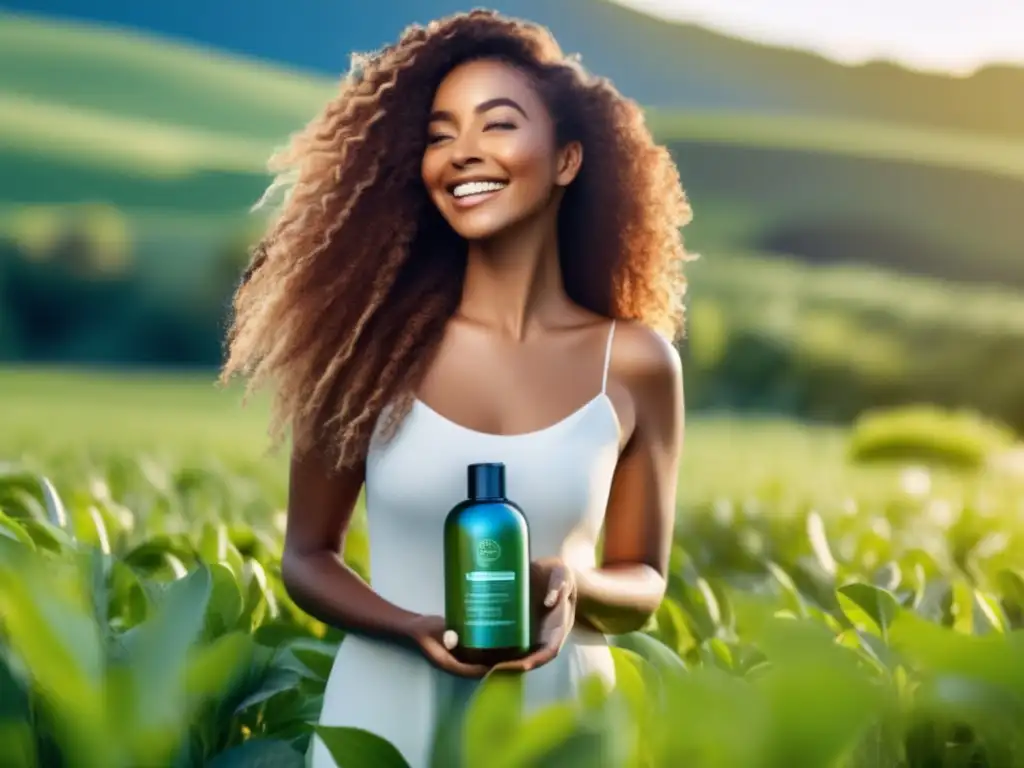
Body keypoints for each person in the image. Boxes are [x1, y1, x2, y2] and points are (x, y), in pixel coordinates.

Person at [219, 9, 691, 767]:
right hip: (383, 713)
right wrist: (408, 625)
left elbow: (645, 580)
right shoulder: (366, 350)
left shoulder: (635, 364)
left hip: (557, 721)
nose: (462, 155)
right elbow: (308, 556)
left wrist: (575, 582)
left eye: (496, 125)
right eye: (440, 135)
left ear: (567, 159)